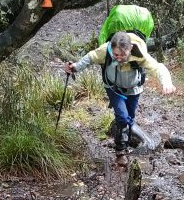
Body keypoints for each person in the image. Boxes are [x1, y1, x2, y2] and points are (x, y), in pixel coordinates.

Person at [64, 30, 176, 166]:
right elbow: (90, 57)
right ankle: (120, 152)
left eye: (123, 55)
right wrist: (75, 67)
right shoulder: (105, 50)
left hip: (134, 89)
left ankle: (125, 146)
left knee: (129, 118)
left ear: (131, 48)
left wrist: (167, 83)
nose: (119, 58)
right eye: (116, 54)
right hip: (113, 88)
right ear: (111, 48)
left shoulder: (140, 54)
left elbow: (158, 68)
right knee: (122, 117)